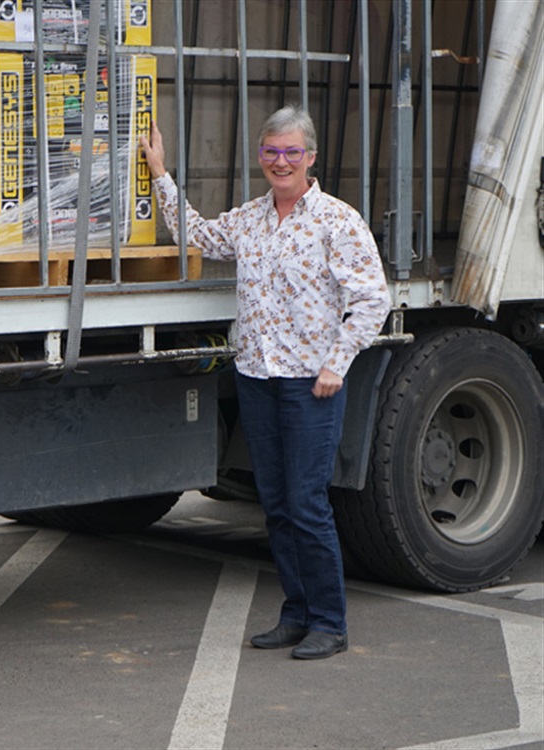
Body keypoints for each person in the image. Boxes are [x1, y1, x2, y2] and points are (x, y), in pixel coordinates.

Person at [139, 106, 391, 660]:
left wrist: (337, 362)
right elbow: (196, 233)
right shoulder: (251, 218)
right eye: (272, 152)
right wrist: (160, 173)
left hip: (311, 384)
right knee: (275, 504)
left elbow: (374, 299)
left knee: (307, 503)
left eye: (292, 152)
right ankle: (296, 613)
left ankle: (330, 621)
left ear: (311, 158)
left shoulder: (337, 221)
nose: (281, 161)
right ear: (261, 156)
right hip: (258, 377)